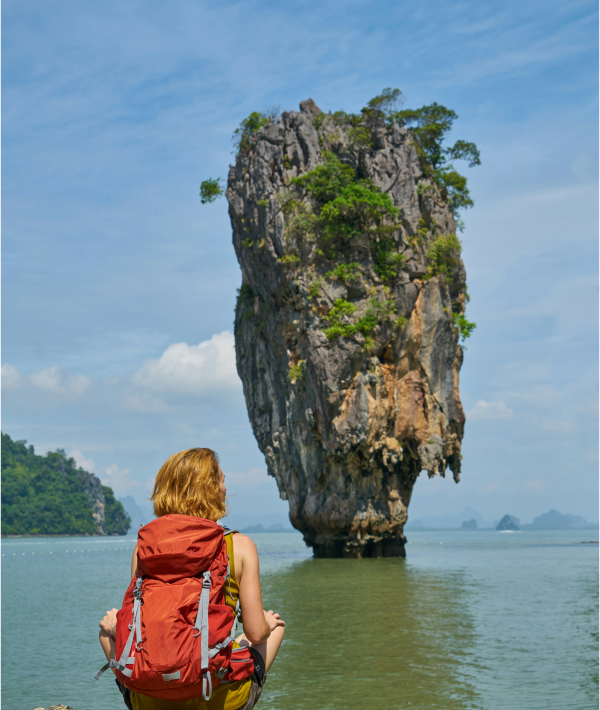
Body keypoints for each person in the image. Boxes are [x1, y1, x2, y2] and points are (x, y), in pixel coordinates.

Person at [98, 448, 286, 710]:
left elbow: (137, 623)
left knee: (106, 630)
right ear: (210, 490)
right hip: (217, 697)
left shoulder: (144, 548)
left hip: (151, 699)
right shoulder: (239, 546)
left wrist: (113, 626)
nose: (225, 488)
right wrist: (265, 623)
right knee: (273, 628)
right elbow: (255, 632)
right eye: (221, 481)